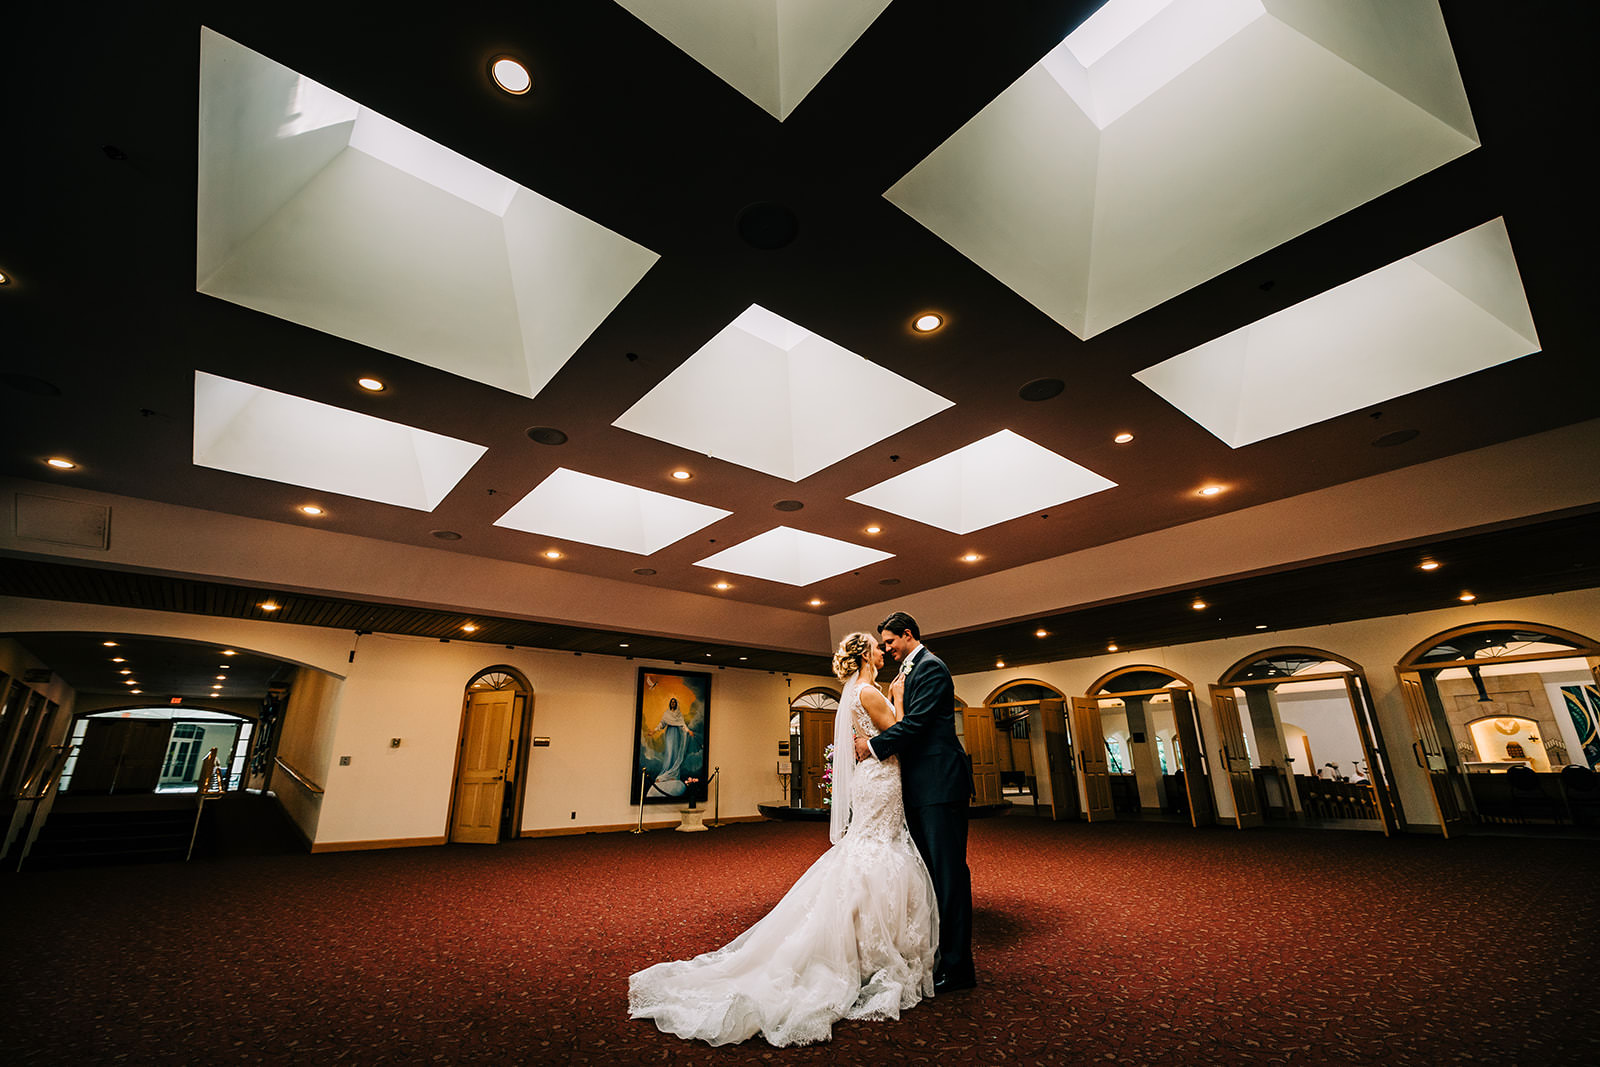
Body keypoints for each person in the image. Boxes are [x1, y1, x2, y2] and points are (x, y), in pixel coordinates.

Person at [629, 632, 937, 1046]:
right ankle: (869, 948)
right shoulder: (872, 693)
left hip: (872, 780)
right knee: (877, 850)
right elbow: (903, 733)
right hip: (881, 780)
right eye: (878, 647)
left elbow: (869, 742)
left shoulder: (853, 694)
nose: (884, 652)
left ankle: (862, 940)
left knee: (867, 850)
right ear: (867, 654)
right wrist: (900, 697)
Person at [853, 610, 976, 992]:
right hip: (920, 787)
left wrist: (871, 745)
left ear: (908, 635)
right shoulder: (906, 672)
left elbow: (918, 723)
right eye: (883, 645)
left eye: (890, 642)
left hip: (940, 785)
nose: (886, 649)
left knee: (949, 875)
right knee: (930, 876)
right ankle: (939, 956)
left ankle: (958, 968)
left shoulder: (932, 667)